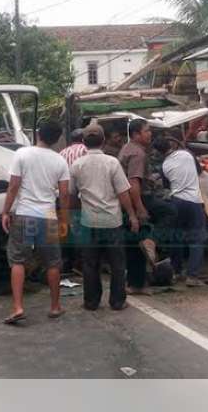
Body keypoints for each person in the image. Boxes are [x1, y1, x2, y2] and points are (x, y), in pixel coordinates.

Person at [1, 119, 70, 324]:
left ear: (38, 134)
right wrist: (64, 219)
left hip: (24, 214)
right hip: (48, 216)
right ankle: (55, 307)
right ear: (56, 140)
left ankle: (18, 307)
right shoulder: (60, 161)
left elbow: (13, 187)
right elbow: (64, 194)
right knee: (53, 263)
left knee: (18, 261)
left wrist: (5, 212)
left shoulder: (22, 154)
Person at [70, 123, 139, 311]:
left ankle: (91, 302)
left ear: (84, 142)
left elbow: (72, 195)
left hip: (88, 221)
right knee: (117, 264)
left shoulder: (77, 165)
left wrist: (74, 217)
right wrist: (132, 215)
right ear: (103, 141)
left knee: (90, 264)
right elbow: (123, 193)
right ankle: (117, 301)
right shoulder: (112, 163)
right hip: (112, 221)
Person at [119, 118, 176, 294]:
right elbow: (134, 182)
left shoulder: (126, 149)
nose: (150, 134)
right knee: (170, 212)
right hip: (139, 197)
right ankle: (152, 241)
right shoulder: (137, 153)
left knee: (134, 241)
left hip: (126, 200)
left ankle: (135, 284)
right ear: (136, 134)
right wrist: (140, 208)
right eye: (147, 131)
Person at [155, 137, 206, 287]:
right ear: (171, 145)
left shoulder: (164, 166)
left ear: (159, 152)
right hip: (194, 201)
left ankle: (177, 272)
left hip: (176, 202)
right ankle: (192, 276)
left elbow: (167, 186)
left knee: (176, 238)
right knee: (196, 239)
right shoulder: (187, 154)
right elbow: (199, 171)